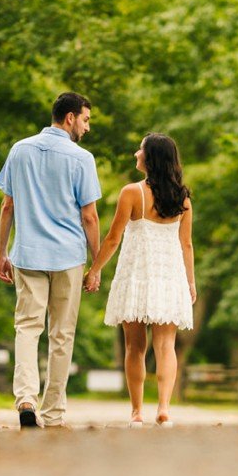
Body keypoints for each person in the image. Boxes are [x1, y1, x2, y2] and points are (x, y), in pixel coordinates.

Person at [0, 92, 101, 429]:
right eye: (85, 120)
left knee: (27, 327)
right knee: (61, 334)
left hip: (27, 253)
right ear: (69, 118)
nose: (86, 128)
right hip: (68, 256)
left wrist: (2, 252)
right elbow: (90, 217)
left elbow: (7, 206)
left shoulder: (19, 150)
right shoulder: (81, 158)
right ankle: (53, 413)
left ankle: (26, 398)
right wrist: (96, 264)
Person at [85, 133, 196, 427]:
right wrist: (191, 283)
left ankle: (136, 412)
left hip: (136, 276)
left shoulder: (131, 193)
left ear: (151, 158)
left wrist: (94, 269)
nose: (136, 154)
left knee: (135, 347)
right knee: (166, 345)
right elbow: (187, 245)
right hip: (169, 276)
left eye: (141, 150)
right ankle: (163, 408)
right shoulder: (182, 198)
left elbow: (112, 239)